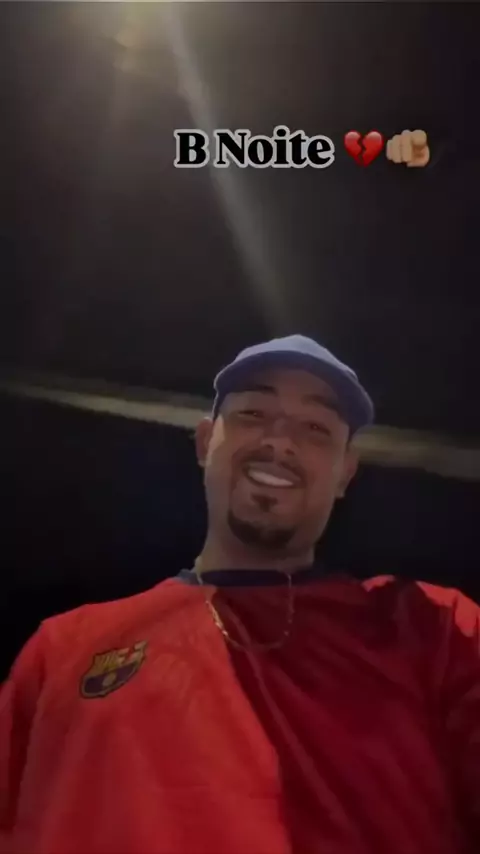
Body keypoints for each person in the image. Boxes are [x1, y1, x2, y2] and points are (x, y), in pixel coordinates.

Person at [0, 334, 479, 854]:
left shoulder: (435, 631)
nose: (280, 441)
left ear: (345, 473)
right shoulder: (63, 648)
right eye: (253, 413)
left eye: (316, 429)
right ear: (205, 442)